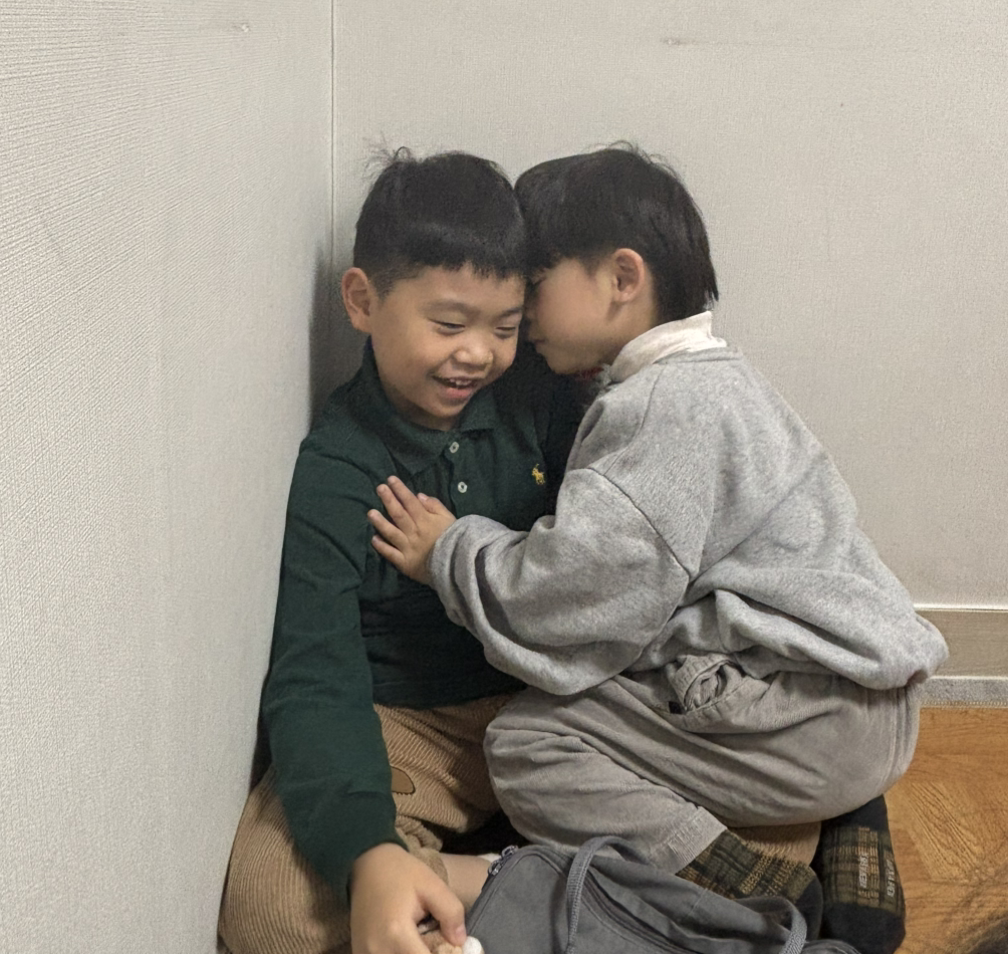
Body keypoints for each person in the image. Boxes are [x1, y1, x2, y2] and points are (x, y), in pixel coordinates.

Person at [369, 144, 950, 954]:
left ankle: (751, 883)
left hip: (815, 720)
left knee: (528, 743)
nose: (523, 314)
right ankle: (852, 815)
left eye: (537, 282)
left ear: (621, 278)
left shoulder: (658, 410)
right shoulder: (727, 380)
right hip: (869, 698)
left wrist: (449, 551)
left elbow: (574, 603)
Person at [218, 150, 582, 954]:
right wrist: (368, 854)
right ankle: (501, 889)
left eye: (506, 328)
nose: (478, 353)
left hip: (556, 704)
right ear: (362, 300)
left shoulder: (543, 398)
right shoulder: (338, 466)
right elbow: (316, 673)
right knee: (272, 911)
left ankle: (500, 884)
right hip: (414, 725)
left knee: (768, 828)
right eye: (448, 325)